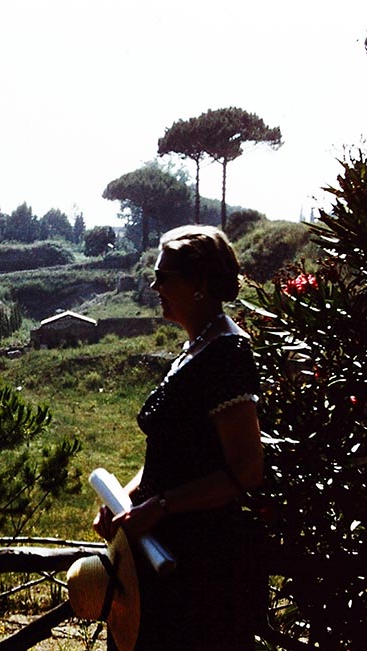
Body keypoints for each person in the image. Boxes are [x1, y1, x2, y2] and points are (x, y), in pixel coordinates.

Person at [93, 225, 268, 651]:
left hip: (198, 564)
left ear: (200, 283)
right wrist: (127, 503)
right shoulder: (197, 350)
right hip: (159, 554)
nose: (154, 286)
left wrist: (163, 506)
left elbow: (246, 470)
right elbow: (168, 455)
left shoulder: (227, 353)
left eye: (163, 276)